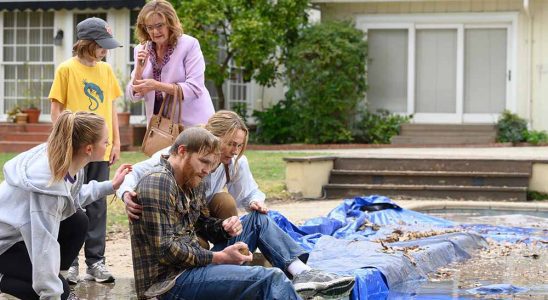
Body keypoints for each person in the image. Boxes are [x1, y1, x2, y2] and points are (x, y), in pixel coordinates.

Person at [129, 127, 355, 300]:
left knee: (257, 220)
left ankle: (302, 273)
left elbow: (201, 223)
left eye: (211, 164)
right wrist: (219, 257)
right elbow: (165, 251)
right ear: (181, 151)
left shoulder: (192, 179)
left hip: (193, 266)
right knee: (270, 278)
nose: (208, 170)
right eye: (204, 162)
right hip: (168, 284)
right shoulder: (158, 183)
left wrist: (223, 227)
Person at [0, 111, 131, 300]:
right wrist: (52, 291)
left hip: (18, 236)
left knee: (78, 220)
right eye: (105, 141)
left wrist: (111, 186)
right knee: (58, 293)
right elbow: (43, 245)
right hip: (5, 245)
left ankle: (38, 276)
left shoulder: (66, 161)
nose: (108, 145)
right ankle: (6, 278)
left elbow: (70, 199)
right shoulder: (47, 187)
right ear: (88, 149)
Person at [48, 17, 124, 284]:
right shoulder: (66, 69)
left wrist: (115, 142)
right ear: (87, 44)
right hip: (74, 150)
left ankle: (96, 262)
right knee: (70, 203)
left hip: (100, 150)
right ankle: (69, 263)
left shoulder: (106, 71)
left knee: (98, 206)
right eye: (102, 45)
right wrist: (62, 143)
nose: (105, 50)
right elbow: (56, 110)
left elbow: (112, 107)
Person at [119, 110, 265, 222]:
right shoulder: (176, 155)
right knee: (199, 246)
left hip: (204, 216)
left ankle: (229, 251)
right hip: (179, 217)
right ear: (213, 136)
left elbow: (248, 193)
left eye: (239, 145)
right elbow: (134, 172)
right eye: (230, 144)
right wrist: (126, 193)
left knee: (225, 202)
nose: (235, 151)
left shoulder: (235, 163)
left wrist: (255, 202)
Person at [128, 0, 214, 127]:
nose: (155, 32)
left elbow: (195, 88)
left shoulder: (189, 45)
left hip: (193, 125)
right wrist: (139, 71)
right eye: (150, 27)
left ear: (170, 23)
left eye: (159, 26)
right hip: (159, 128)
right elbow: (133, 96)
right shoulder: (140, 49)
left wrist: (156, 85)